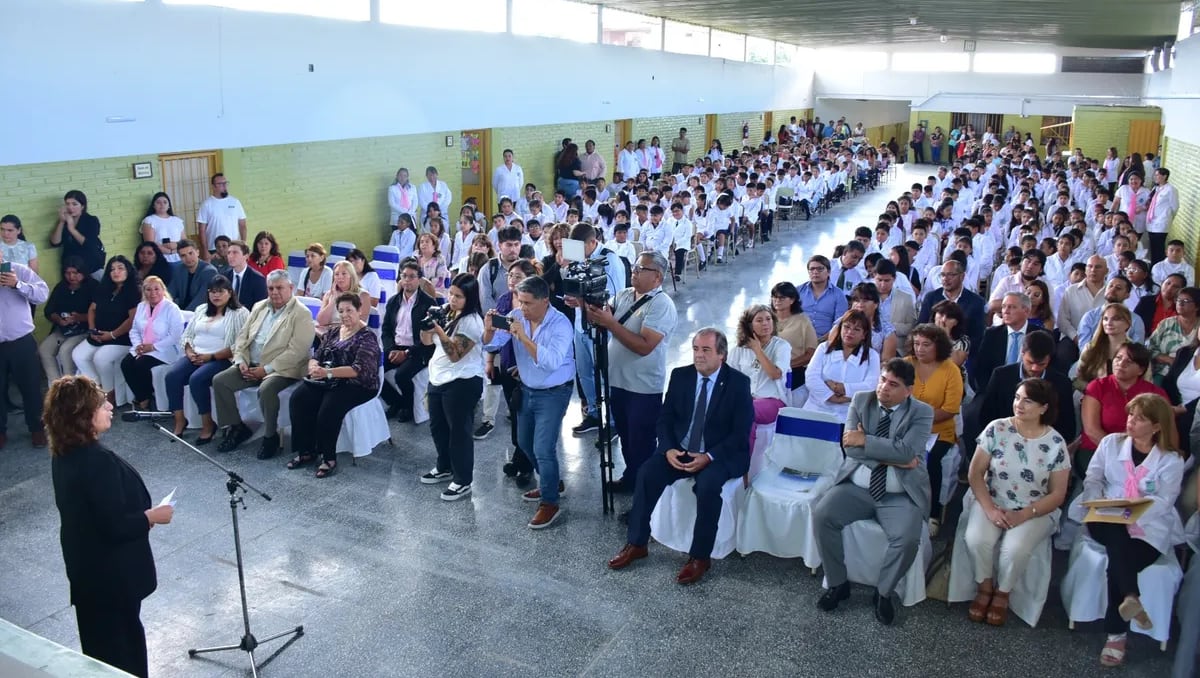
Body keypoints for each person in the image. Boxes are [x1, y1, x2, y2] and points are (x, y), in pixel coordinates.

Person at [46, 375, 174, 678]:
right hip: (111, 578)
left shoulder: (64, 452)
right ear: (82, 415)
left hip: (88, 574)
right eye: (102, 403)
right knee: (122, 655)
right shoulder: (96, 460)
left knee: (100, 651)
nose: (111, 406)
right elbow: (113, 526)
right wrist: (150, 517)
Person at [606, 328, 754, 585]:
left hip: (719, 454)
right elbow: (665, 419)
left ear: (722, 355)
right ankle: (637, 543)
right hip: (681, 449)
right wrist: (668, 448)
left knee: (708, 486)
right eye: (696, 349)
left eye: (706, 350)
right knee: (647, 473)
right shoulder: (681, 376)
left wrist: (708, 456)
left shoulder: (738, 384)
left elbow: (740, 434)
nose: (699, 355)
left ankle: (700, 557)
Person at [813, 359, 935, 626]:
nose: (884, 388)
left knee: (906, 538)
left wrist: (867, 440)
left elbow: (906, 451)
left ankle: (883, 593)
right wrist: (898, 457)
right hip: (857, 486)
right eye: (882, 380)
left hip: (900, 493)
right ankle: (837, 584)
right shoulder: (860, 400)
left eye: (893, 385)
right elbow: (850, 447)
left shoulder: (922, 412)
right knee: (822, 515)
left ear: (908, 391)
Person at [1070, 394, 1185, 667]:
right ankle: (1129, 604)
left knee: (1119, 561)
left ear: (1157, 426)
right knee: (1115, 532)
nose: (1131, 421)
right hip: (1103, 517)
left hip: (1147, 527)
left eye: (1140, 418)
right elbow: (1093, 477)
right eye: (1131, 415)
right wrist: (1099, 501)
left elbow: (1163, 501)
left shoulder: (1171, 461)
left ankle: (1118, 628)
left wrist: (1131, 512)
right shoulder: (1111, 443)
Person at [965, 378, 1070, 626]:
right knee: (977, 539)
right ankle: (985, 587)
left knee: (1014, 549)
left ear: (1044, 408)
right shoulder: (997, 429)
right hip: (993, 498)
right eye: (1017, 398)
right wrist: (989, 509)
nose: (1019, 404)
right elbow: (974, 474)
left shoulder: (1055, 443)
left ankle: (1003, 594)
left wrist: (1025, 513)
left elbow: (1057, 494)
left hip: (1035, 508)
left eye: (1028, 400)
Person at [482, 276, 575, 530]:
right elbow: (492, 343)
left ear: (545, 301)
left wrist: (523, 337)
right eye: (520, 302)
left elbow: (551, 362)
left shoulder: (561, 324)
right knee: (524, 442)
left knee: (544, 447)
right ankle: (550, 480)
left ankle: (550, 502)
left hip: (554, 391)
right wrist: (490, 329)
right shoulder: (516, 315)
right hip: (528, 389)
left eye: (527, 303)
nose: (521, 308)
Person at [581, 251, 676, 495]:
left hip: (643, 387)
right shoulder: (624, 294)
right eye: (634, 267)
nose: (634, 272)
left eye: (640, 269)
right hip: (618, 381)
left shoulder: (661, 304)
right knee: (625, 436)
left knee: (641, 442)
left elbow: (645, 346)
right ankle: (632, 478)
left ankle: (646, 496)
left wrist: (611, 323)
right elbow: (600, 318)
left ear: (657, 277)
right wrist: (585, 305)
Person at [213, 270, 316, 459]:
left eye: (279, 288)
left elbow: (297, 351)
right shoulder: (259, 306)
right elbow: (242, 338)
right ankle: (237, 428)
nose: (275, 292)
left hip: (283, 369)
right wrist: (240, 361)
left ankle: (271, 437)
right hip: (251, 364)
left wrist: (265, 370)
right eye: (271, 288)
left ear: (291, 288)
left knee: (267, 389)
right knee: (220, 381)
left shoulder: (301, 313)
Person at [285, 293, 380, 479]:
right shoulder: (334, 332)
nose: (345, 315)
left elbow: (357, 370)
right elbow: (317, 355)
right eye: (341, 311)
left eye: (349, 310)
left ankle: (328, 458)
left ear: (359, 310)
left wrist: (327, 373)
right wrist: (313, 366)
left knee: (329, 408)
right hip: (329, 379)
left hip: (358, 384)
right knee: (299, 399)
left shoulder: (367, 337)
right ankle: (306, 451)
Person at [416, 273, 486, 499]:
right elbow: (426, 342)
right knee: (438, 428)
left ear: (471, 298)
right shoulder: (445, 311)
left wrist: (439, 330)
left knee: (459, 432)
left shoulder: (472, 322)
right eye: (451, 293)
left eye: (459, 296)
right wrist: (428, 327)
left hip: (462, 381)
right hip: (438, 378)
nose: (453, 299)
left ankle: (463, 479)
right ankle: (444, 466)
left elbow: (456, 355)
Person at [165, 275, 248, 441]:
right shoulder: (201, 309)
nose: (216, 295)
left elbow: (240, 344)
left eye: (220, 292)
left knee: (197, 379)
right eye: (212, 292)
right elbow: (187, 335)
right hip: (196, 356)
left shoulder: (240, 313)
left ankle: (208, 423)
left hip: (221, 358)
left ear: (230, 293)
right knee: (172, 376)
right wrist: (190, 353)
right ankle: (180, 421)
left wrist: (210, 356)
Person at [562, 223, 624, 435]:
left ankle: (614, 420)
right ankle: (594, 414)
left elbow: (614, 298)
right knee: (585, 373)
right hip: (580, 324)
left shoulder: (609, 259)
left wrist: (581, 301)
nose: (575, 253)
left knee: (605, 374)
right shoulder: (576, 252)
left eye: (579, 248)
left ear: (592, 242)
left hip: (602, 326)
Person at [970, 329, 1077, 443]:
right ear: (1022, 353)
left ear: (1049, 358)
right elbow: (987, 416)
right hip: (1004, 441)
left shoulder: (1062, 384)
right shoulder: (1001, 376)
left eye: (1041, 364)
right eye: (1030, 362)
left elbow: (1067, 426)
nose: (1035, 368)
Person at [906, 324, 963, 535]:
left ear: (938, 346)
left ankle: (933, 513)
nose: (920, 349)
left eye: (926, 345)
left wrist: (919, 421)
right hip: (905, 427)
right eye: (917, 344)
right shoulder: (905, 364)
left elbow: (950, 409)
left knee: (931, 460)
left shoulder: (951, 370)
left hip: (939, 432)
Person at [1079, 343, 1167, 470]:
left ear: (1141, 370)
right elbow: (1092, 430)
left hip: (1143, 454)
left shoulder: (1154, 393)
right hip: (1097, 449)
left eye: (1129, 361)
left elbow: (1166, 431)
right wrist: (1118, 455)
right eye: (1118, 358)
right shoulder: (1097, 386)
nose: (1121, 363)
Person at [490, 260, 540, 484]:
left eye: (517, 277)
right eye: (510, 276)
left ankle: (527, 464)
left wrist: (525, 365)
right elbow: (495, 335)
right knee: (513, 413)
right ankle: (519, 457)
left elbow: (536, 339)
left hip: (526, 367)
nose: (511, 280)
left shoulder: (533, 304)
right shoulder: (503, 300)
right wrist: (491, 360)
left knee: (525, 417)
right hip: (507, 363)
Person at [72, 256, 140, 405]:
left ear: (128, 270)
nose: (116, 272)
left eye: (120, 268)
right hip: (99, 334)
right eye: (112, 269)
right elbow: (92, 309)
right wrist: (91, 330)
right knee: (78, 355)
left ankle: (110, 394)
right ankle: (97, 389)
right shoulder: (104, 288)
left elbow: (132, 320)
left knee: (100, 358)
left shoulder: (134, 291)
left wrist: (112, 335)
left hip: (122, 338)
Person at [0, 250, 49, 449]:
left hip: (21, 342)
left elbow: (42, 293)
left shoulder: (18, 270)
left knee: (30, 388)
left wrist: (17, 284)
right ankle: (1, 432)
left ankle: (36, 429)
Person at [727, 304, 791, 453]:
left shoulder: (781, 346)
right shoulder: (739, 350)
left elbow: (775, 374)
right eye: (759, 320)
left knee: (746, 411)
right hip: (745, 400)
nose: (765, 324)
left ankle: (743, 466)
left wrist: (757, 349)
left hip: (773, 400)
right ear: (749, 325)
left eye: (768, 319)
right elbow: (729, 381)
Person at [380, 259, 436, 422]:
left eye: (412, 277)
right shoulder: (393, 301)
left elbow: (430, 336)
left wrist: (407, 352)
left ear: (419, 279)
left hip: (419, 350)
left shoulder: (428, 303)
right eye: (404, 276)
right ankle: (395, 402)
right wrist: (390, 349)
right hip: (395, 346)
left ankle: (407, 407)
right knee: (373, 368)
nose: (407, 280)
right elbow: (386, 330)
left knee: (402, 376)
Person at [118, 275, 183, 411]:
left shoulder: (172, 308)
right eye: (148, 289)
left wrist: (153, 347)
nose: (152, 293)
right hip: (143, 346)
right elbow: (134, 330)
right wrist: (138, 346)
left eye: (156, 289)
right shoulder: (141, 306)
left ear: (162, 290)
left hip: (164, 348)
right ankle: (143, 397)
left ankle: (149, 397)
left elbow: (175, 335)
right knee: (126, 364)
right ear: (144, 291)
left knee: (141, 364)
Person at [804, 310, 881, 419]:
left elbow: (871, 385)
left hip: (852, 414)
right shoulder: (823, 348)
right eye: (847, 327)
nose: (850, 332)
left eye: (856, 329)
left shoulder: (872, 356)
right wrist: (830, 397)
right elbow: (811, 377)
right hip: (818, 409)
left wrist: (843, 389)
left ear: (864, 334)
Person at [38, 256, 98, 386]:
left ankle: (71, 387)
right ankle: (56, 386)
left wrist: (79, 317)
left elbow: (99, 313)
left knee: (65, 351)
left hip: (84, 329)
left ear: (83, 272)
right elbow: (49, 311)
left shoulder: (93, 286)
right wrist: (59, 320)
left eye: (75, 273)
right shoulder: (62, 287)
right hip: (63, 329)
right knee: (44, 349)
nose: (71, 276)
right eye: (68, 273)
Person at [917, 260, 986, 359]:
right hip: (931, 353)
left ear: (962, 277)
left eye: (950, 275)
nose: (946, 279)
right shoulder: (931, 297)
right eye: (943, 275)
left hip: (963, 355)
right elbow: (921, 326)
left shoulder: (976, 302)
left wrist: (959, 351)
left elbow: (977, 337)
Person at [970, 292, 1032, 393]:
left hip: (1029, 391)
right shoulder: (992, 334)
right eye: (1003, 307)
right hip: (995, 390)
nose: (1005, 311)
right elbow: (981, 369)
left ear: (1026, 311)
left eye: (1012, 307)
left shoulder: (1039, 335)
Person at [770, 281, 817, 397]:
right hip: (766, 368)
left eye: (781, 298)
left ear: (792, 300)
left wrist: (787, 366)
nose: (777, 300)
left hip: (793, 370)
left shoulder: (803, 321)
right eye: (774, 297)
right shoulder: (766, 318)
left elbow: (811, 353)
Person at [1147, 286, 1200, 382]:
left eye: (1186, 301)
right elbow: (1149, 347)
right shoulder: (1166, 323)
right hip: (1164, 372)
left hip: (1193, 374)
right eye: (1179, 300)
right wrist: (1168, 359)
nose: (1180, 303)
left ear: (1197, 306)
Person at [1076, 303, 1134, 388]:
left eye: (1116, 319)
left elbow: (1145, 382)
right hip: (1094, 396)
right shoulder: (1091, 348)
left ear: (1128, 323)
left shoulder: (1136, 351)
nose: (1109, 323)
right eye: (1105, 319)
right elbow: (1079, 378)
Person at [798, 255, 849, 341]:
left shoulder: (838, 294)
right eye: (812, 269)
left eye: (820, 269)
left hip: (826, 341)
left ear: (829, 272)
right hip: (798, 339)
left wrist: (822, 341)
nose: (815, 272)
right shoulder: (798, 291)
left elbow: (839, 324)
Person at [196, 173, 247, 260]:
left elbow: (242, 225)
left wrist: (243, 244)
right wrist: (205, 250)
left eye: (226, 183)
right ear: (213, 186)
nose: (224, 186)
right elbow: (202, 230)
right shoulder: (207, 204)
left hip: (233, 247)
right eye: (221, 184)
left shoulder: (235, 202)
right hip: (214, 248)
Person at [316, 261, 372, 337]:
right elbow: (321, 322)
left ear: (351, 276)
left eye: (344, 274)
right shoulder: (329, 294)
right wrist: (334, 300)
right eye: (336, 274)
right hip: (328, 334)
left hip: (351, 335)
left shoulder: (363, 295)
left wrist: (335, 328)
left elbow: (358, 324)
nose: (340, 277)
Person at [166, 240, 217, 312]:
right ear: (179, 257)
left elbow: (201, 300)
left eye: (190, 253)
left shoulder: (209, 272)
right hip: (181, 311)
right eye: (183, 255)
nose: (188, 258)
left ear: (197, 252)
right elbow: (169, 293)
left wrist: (182, 315)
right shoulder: (178, 270)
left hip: (201, 313)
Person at [220, 239, 268, 310]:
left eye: (235, 252)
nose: (230, 256)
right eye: (229, 253)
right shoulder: (224, 277)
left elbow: (260, 308)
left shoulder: (258, 279)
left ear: (246, 256)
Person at [139, 192, 184, 262]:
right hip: (159, 259)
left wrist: (175, 246)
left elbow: (184, 241)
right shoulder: (149, 220)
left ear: (169, 205)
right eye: (158, 202)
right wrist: (169, 252)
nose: (162, 205)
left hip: (180, 258)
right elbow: (150, 244)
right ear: (153, 206)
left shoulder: (177, 221)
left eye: (165, 202)